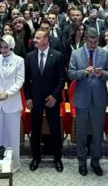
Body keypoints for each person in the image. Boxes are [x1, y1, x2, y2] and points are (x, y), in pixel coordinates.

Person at [67, 28, 108, 176]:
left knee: (98, 134)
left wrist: (102, 74)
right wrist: (83, 72)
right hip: (82, 99)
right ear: (85, 40)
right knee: (81, 133)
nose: (93, 45)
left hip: (99, 99)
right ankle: (81, 162)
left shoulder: (104, 53)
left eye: (95, 42)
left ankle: (95, 162)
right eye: (90, 42)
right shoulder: (76, 53)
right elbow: (70, 73)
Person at [25, 29, 66, 172]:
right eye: (35, 37)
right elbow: (26, 80)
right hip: (35, 99)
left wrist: (54, 95)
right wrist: (28, 97)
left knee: (55, 129)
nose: (34, 40)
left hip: (51, 99)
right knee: (35, 129)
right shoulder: (30, 56)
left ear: (46, 40)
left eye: (38, 38)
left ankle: (57, 158)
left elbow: (62, 79)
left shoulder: (57, 56)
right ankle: (36, 158)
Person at [0, 33, 25, 172]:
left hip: (11, 102)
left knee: (11, 134)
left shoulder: (19, 60)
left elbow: (19, 81)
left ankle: (12, 164)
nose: (3, 50)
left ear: (11, 47)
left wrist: (7, 94)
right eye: (1, 47)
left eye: (6, 47)